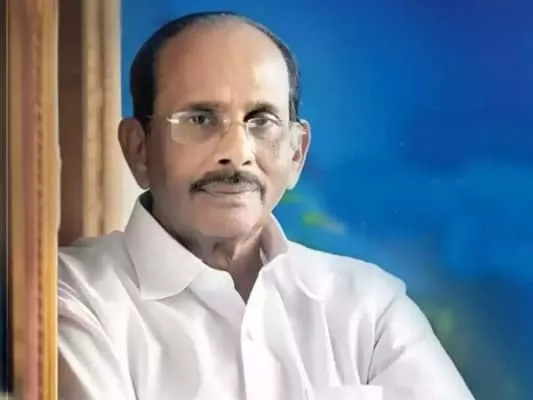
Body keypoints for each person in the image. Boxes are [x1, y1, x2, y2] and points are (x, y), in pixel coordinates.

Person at [58, 11, 474, 400]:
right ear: (139, 149)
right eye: (200, 119)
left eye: (261, 121)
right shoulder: (73, 295)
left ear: (296, 153)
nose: (237, 153)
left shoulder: (368, 308)